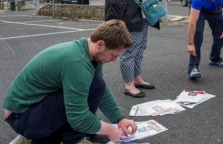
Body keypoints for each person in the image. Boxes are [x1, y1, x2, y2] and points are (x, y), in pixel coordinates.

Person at [2, 19, 137, 144]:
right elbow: (78, 118)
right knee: (82, 108)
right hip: (22, 118)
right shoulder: (77, 63)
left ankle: (59, 137)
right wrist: (110, 130)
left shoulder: (89, 53)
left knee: (97, 85)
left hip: (30, 108)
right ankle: (69, 140)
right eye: (114, 55)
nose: (114, 60)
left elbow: (102, 92)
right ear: (100, 44)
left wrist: (119, 119)